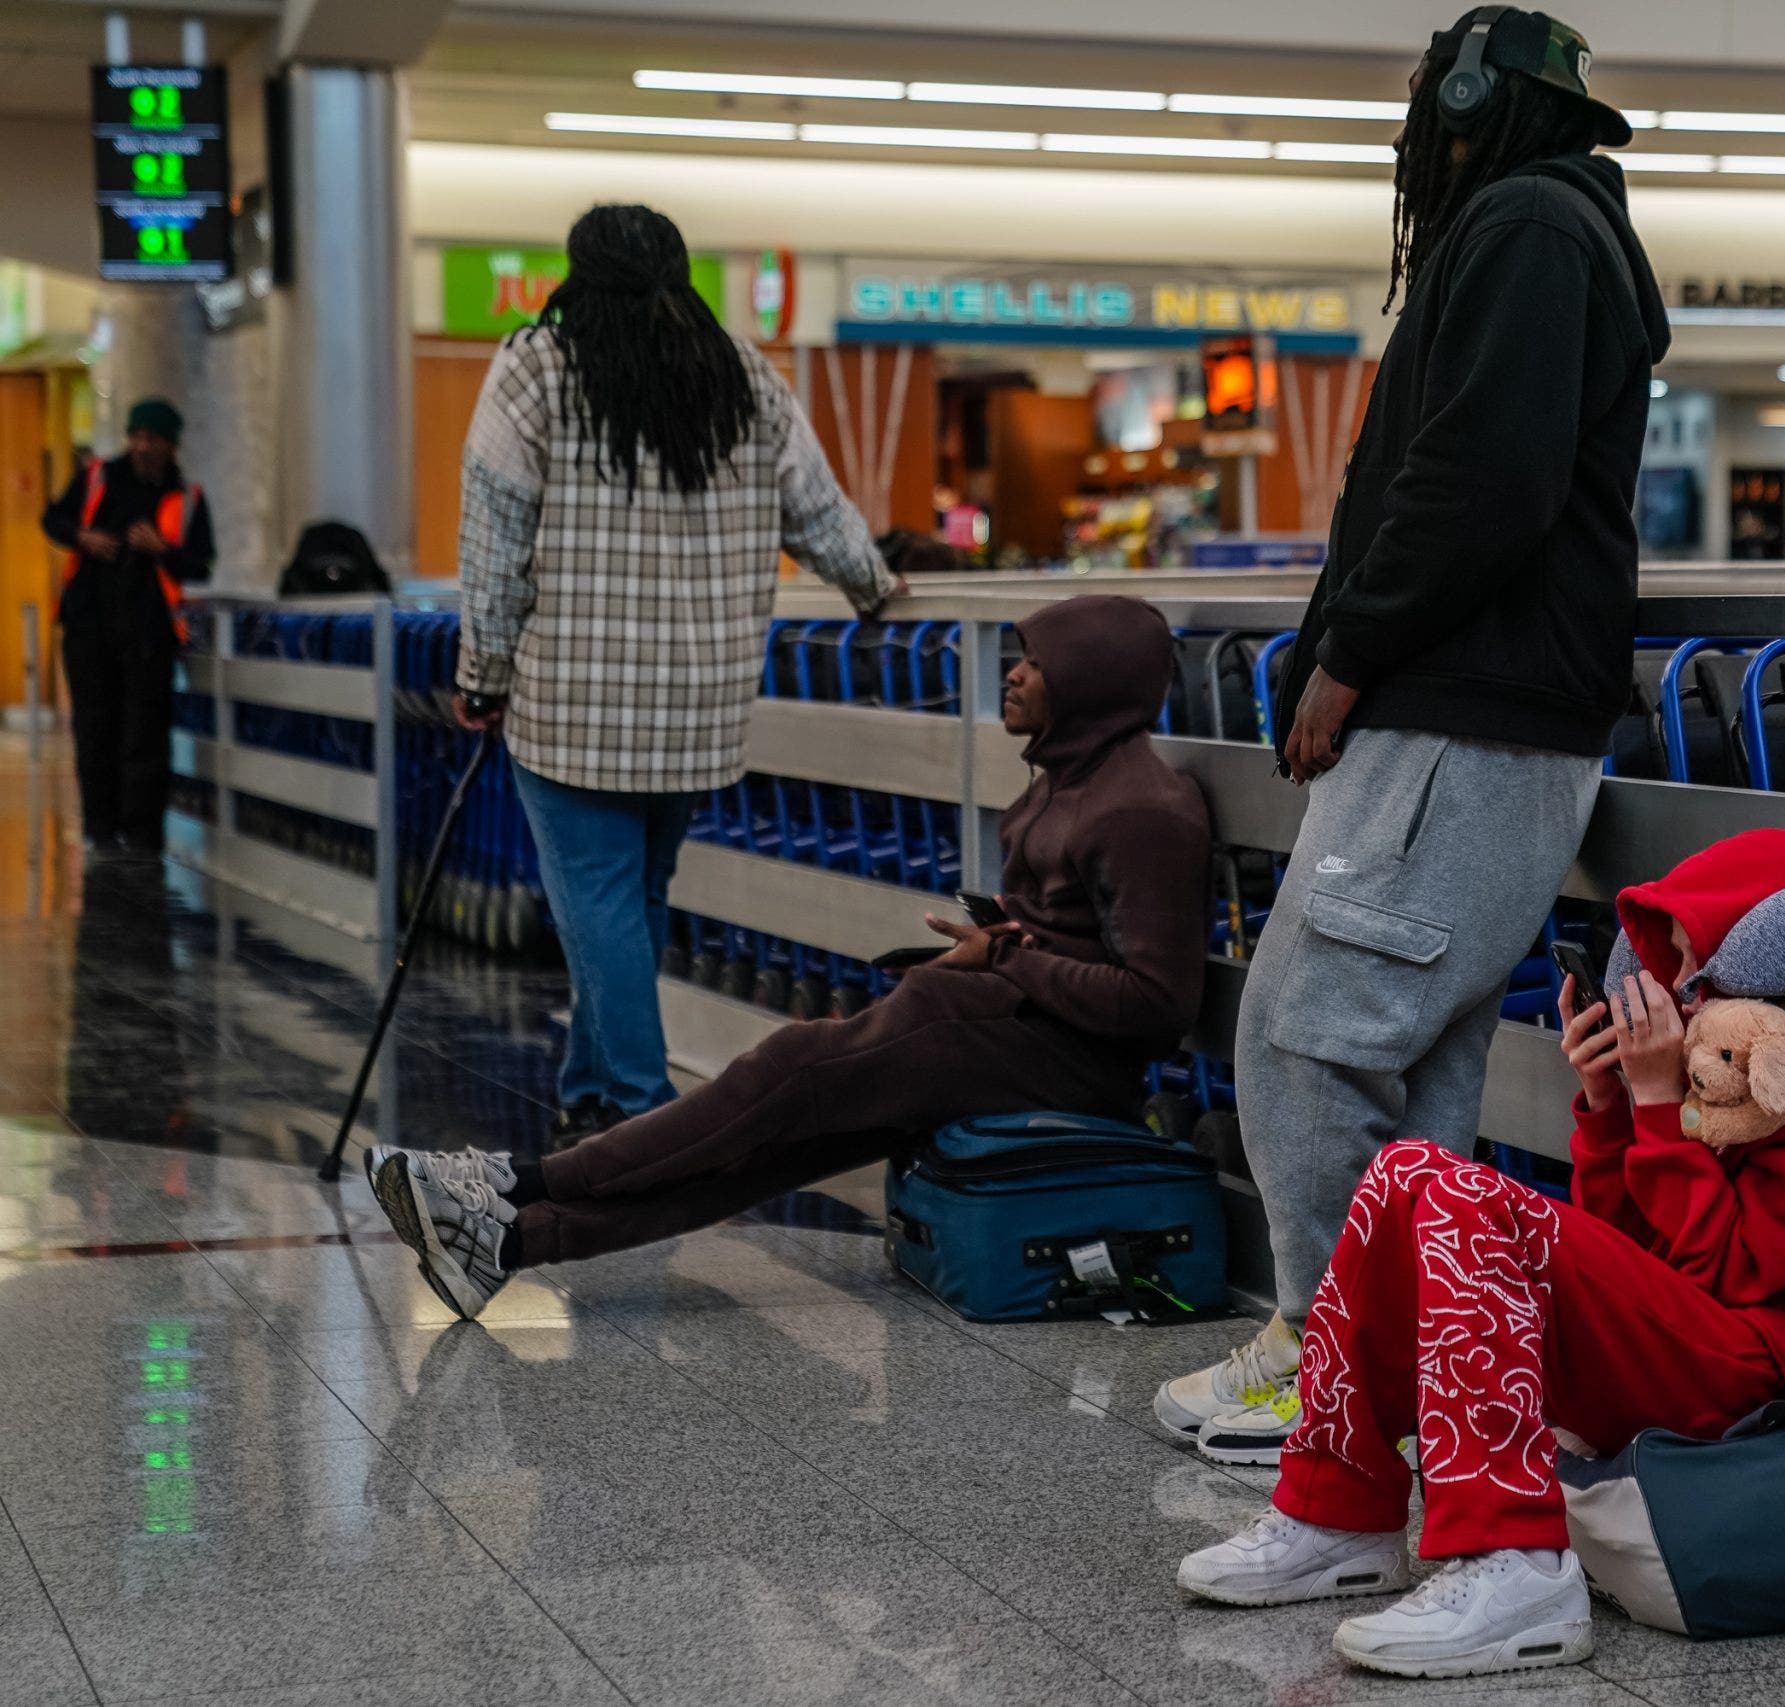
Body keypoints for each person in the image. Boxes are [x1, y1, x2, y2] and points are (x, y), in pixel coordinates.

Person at [1157, 4, 1670, 1464]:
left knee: (1307, 1030)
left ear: (1467, 97)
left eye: (1417, 99)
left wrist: (1353, 651)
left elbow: (1477, 481)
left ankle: (1336, 1353)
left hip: (1468, 719)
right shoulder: (1538, 230)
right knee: (1421, 1063)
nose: (1407, 131)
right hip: (1480, 721)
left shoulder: (1527, 229)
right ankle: (1425, 1370)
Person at [1176, 831, 1785, 1679]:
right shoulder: (1717, 1072)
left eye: (1695, 970)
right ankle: (1339, 1508)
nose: (1677, 996)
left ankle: (1518, 1565)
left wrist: (1653, 1105)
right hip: (1712, 1342)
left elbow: (1730, 1271)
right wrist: (1612, 1105)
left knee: (1470, 1201)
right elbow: (1631, 1247)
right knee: (1406, 1172)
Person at [366, 594, 1212, 1323]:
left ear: (1093, 682)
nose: (1016, 674)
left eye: (1038, 662)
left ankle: (515, 1182)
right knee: (774, 1145)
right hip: (1004, 1027)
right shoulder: (1067, 778)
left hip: (1057, 1060)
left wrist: (1006, 957)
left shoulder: (1142, 810)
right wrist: (998, 948)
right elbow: (1056, 934)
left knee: (789, 1068)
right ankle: (512, 1241)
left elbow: (1156, 1001)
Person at [451, 203, 900, 1141]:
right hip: (698, 702)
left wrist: (482, 672)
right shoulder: (740, 372)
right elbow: (815, 509)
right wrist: (874, 585)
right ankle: (589, 1083)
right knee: (630, 898)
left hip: (572, 700)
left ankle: (643, 1111)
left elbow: (494, 535)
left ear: (577, 277)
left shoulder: (537, 368)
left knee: (601, 901)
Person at [41, 399, 215, 857]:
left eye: (153, 439)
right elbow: (52, 519)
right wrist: (84, 537)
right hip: (89, 628)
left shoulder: (188, 497)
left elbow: (200, 565)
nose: (142, 447)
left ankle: (141, 837)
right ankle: (100, 830)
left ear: (171, 446)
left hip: (149, 634)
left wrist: (161, 549)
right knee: (95, 731)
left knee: (145, 736)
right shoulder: (98, 477)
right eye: (136, 436)